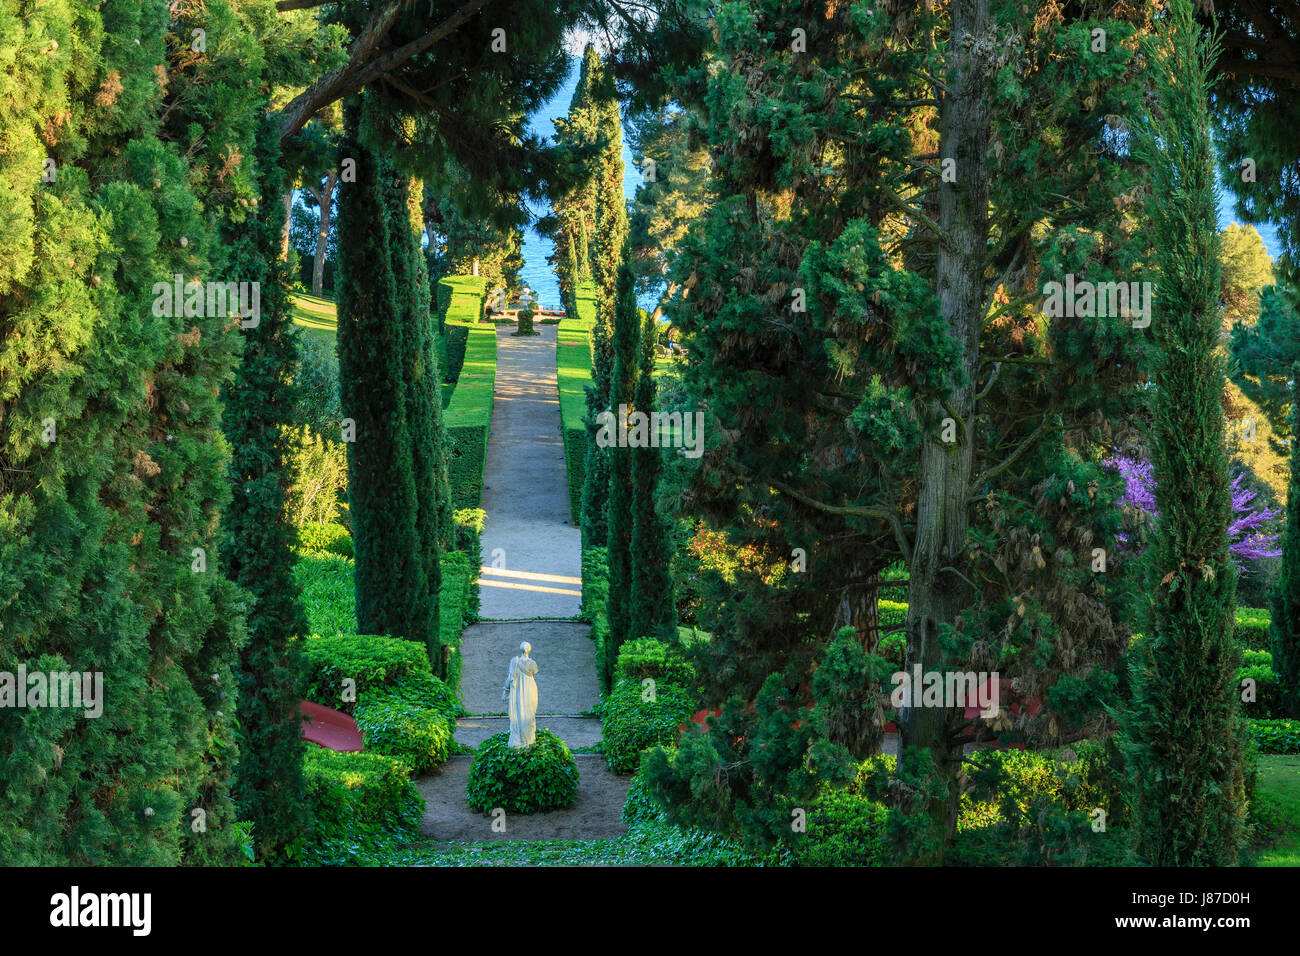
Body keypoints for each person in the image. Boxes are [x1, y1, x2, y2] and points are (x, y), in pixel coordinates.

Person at [502, 642, 539, 748]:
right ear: (530, 650)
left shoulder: (515, 662)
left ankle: (519, 740)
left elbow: (510, 679)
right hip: (530, 690)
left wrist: (505, 691)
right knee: (529, 714)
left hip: (519, 690)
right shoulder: (532, 663)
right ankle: (528, 740)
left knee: (519, 713)